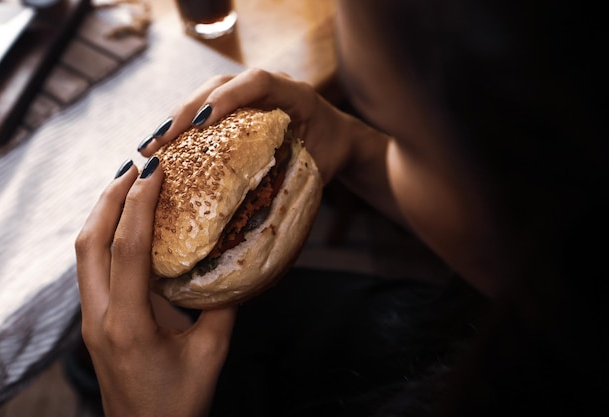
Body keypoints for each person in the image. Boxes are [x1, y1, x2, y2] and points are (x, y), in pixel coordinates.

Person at [74, 0, 608, 416]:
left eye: (398, 135)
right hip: (454, 324)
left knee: (87, 365)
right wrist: (355, 144)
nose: (373, 134)